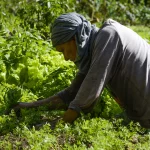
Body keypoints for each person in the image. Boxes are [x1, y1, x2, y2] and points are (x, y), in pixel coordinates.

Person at [13, 12, 150, 128]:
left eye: (63, 50)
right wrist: (30, 106)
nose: (66, 58)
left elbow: (89, 92)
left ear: (75, 39)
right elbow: (72, 94)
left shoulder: (109, 36)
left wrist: (56, 124)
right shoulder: (97, 47)